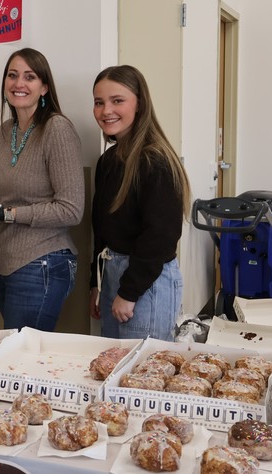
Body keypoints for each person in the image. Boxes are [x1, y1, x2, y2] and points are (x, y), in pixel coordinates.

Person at [0, 48, 85, 331]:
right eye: (12, 76)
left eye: (30, 76)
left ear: (44, 87)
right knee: (12, 354)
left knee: (22, 361)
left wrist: (4, 213)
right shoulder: (4, 132)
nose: (19, 83)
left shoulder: (56, 129)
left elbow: (71, 210)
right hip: (0, 263)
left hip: (42, 262)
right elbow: (12, 200)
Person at [88, 65, 191, 341]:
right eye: (99, 102)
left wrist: (128, 292)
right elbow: (101, 231)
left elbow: (160, 237)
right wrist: (96, 284)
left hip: (146, 282)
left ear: (140, 104)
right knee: (112, 368)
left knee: (141, 374)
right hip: (112, 273)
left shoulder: (155, 161)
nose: (106, 110)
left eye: (117, 101)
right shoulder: (108, 161)